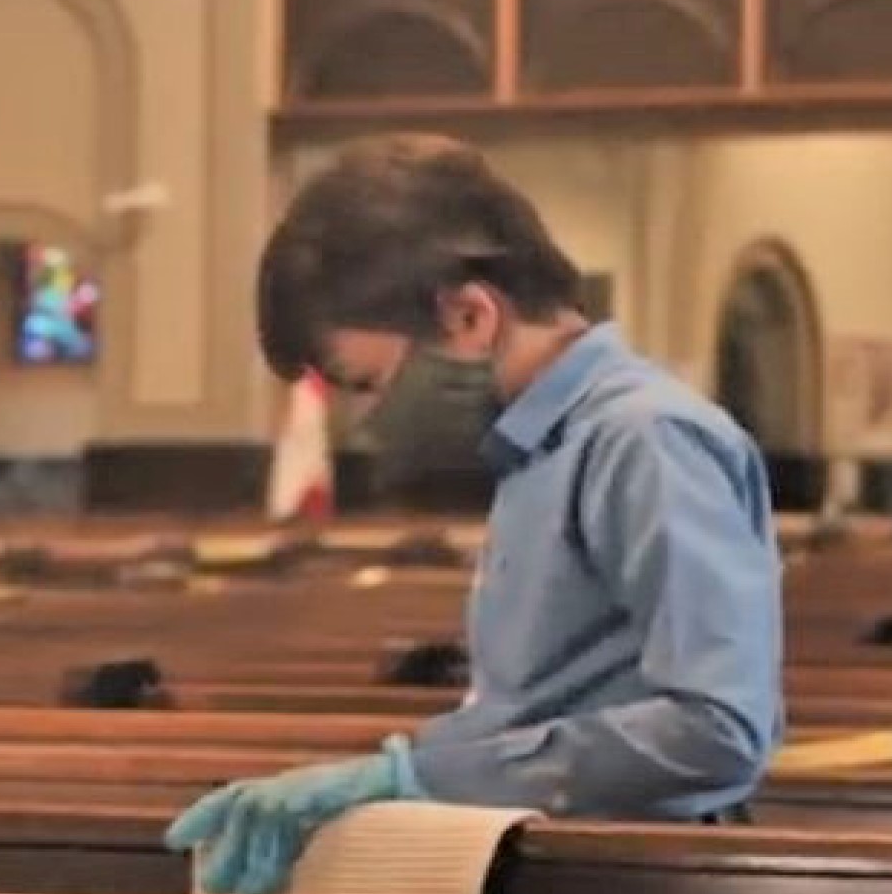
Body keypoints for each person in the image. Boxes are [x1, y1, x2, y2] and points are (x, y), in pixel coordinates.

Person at [165, 134, 784, 893]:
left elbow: (715, 731)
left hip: (635, 875)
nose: (364, 423)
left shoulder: (643, 437)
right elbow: (538, 706)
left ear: (467, 316)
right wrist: (403, 768)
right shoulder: (532, 449)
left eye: (367, 383)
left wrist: (413, 774)